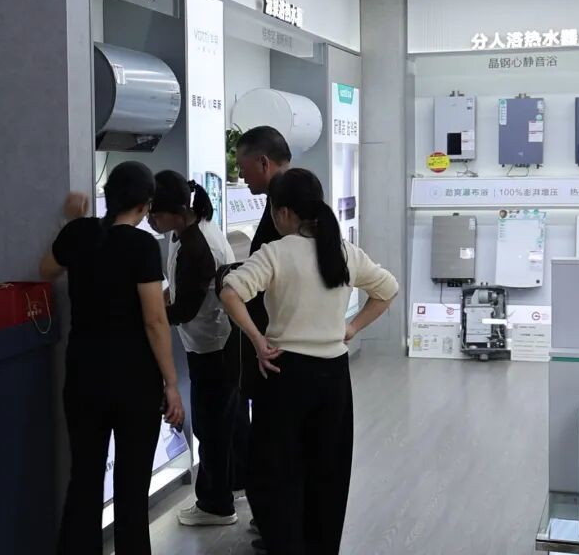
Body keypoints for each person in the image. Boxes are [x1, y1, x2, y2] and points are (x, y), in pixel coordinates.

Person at [220, 168, 398, 555]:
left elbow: (230, 291)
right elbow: (388, 289)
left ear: (283, 212)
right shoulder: (344, 251)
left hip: (284, 373)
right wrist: (351, 327)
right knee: (328, 474)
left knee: (276, 474)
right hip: (334, 377)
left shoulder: (276, 252)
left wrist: (258, 340)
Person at [40, 161, 185, 555]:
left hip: (83, 375)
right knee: (131, 488)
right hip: (134, 381)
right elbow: (154, 320)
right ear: (144, 204)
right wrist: (171, 383)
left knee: (84, 479)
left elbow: (46, 269)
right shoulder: (142, 246)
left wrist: (72, 223)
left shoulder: (80, 233)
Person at [146, 171, 240, 527]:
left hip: (213, 345)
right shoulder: (184, 231)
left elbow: (185, 309)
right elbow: (179, 287)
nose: (151, 219)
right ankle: (233, 485)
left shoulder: (199, 247)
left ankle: (216, 504)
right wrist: (161, 298)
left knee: (210, 425)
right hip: (208, 342)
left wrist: (151, 316)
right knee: (223, 422)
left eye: (155, 213)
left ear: (175, 211)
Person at [229, 125, 291, 496]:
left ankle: (277, 513)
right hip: (274, 338)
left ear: (263, 162)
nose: (241, 176)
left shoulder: (286, 209)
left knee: (277, 432)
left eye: (243, 166)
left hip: (277, 341)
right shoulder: (280, 202)